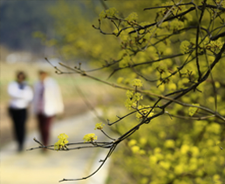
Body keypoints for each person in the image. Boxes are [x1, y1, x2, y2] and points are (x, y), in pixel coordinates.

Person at [32, 70, 64, 147]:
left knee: (46, 127)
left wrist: (60, 108)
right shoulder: (36, 83)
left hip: (49, 109)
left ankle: (46, 143)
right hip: (39, 109)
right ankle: (43, 142)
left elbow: (57, 96)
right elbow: (34, 96)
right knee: (41, 127)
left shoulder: (52, 83)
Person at [8, 71, 33, 152]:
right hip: (14, 108)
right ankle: (18, 142)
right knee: (16, 126)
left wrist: (19, 94)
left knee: (22, 126)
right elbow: (12, 93)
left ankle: (21, 143)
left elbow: (29, 97)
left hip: (23, 109)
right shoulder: (13, 84)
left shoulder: (27, 85)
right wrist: (23, 95)